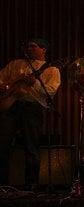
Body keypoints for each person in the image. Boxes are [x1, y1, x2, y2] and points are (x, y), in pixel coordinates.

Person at [0, 38, 61, 189]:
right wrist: (5, 87)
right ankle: (2, 184)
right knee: (2, 145)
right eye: (28, 46)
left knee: (31, 147)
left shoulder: (51, 69)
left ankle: (31, 185)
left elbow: (51, 91)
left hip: (32, 108)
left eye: (33, 46)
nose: (29, 49)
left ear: (43, 50)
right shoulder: (15, 64)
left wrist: (34, 82)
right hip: (10, 105)